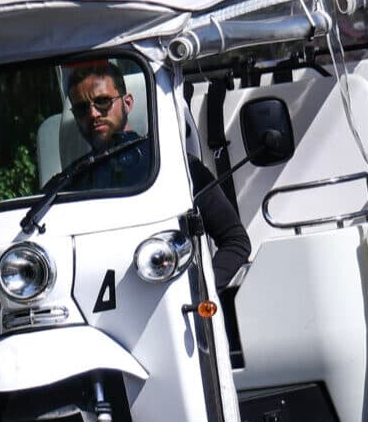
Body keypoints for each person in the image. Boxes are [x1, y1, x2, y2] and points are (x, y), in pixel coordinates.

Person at [63, 61, 253, 292]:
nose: (93, 114)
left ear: (127, 102)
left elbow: (235, 241)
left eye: (102, 102)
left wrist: (199, 289)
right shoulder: (68, 185)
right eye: (82, 108)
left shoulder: (177, 166)